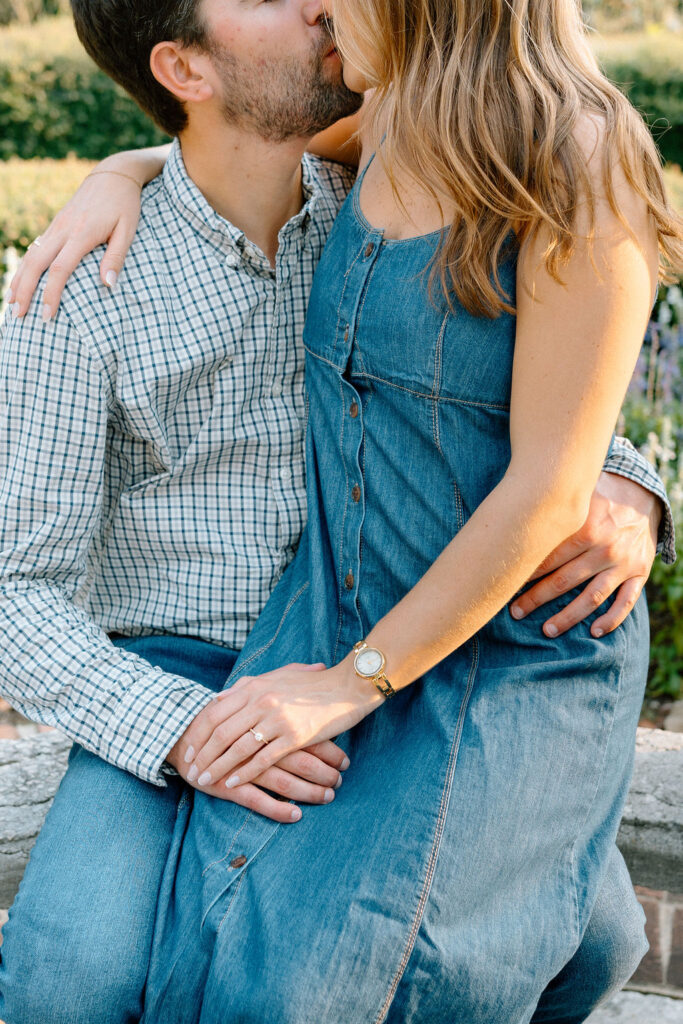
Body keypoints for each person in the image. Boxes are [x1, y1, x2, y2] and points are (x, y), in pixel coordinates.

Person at [0, 2, 677, 1023]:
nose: (317, 1)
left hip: (383, 632)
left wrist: (621, 478)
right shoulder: (84, 288)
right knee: (71, 982)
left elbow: (491, 387)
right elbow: (13, 592)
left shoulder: (368, 178)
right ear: (185, 67)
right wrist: (184, 732)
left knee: (591, 943)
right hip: (179, 664)